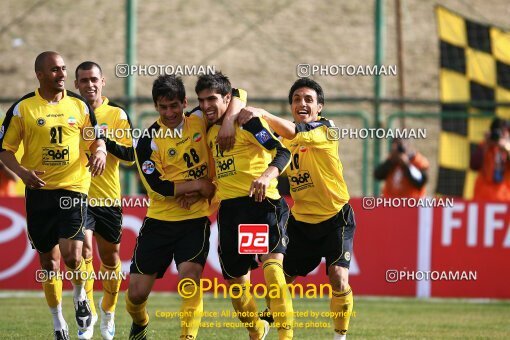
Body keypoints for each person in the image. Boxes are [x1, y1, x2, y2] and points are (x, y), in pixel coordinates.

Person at [126, 74, 244, 340]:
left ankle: (187, 337)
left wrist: (228, 121)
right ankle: (140, 322)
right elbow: (159, 186)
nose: (169, 112)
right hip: (159, 221)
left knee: (190, 280)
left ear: (184, 103)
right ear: (156, 106)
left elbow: (237, 92)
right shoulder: (148, 141)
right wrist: (199, 185)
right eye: (163, 107)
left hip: (195, 219)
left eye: (175, 106)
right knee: (136, 294)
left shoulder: (200, 118)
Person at [238, 77, 356, 339]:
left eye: (308, 100)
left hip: (336, 217)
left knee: (338, 277)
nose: (301, 103)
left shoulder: (327, 130)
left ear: (319, 108)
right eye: (296, 99)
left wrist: (262, 113)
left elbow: (294, 132)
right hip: (300, 223)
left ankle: (340, 336)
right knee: (279, 282)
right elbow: (265, 147)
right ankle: (267, 322)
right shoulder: (284, 139)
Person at [0, 51, 107, 340]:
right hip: (39, 192)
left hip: (73, 188)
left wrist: (98, 151)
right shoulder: (23, 109)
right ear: (40, 74)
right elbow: (5, 150)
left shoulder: (79, 105)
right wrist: (22, 174)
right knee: (49, 263)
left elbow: (94, 137)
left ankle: (80, 297)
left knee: (73, 256)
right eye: (54, 70)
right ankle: (58, 321)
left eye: (63, 69)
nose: (61, 74)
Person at [197, 72, 294, 340]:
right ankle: (257, 329)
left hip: (261, 205)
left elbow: (282, 151)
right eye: (202, 100)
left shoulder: (249, 123)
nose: (206, 106)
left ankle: (286, 336)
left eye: (212, 99)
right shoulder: (208, 128)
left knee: (273, 272)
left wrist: (266, 176)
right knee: (238, 291)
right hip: (230, 212)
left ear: (227, 99)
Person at [74, 61, 134, 339]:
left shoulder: (116, 114)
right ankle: (85, 312)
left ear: (103, 81)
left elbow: (131, 155)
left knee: (110, 259)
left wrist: (104, 142)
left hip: (108, 198)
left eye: (93, 79)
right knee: (83, 251)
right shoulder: (69, 112)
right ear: (76, 84)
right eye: (84, 80)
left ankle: (108, 311)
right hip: (76, 195)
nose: (89, 84)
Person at [470, 117, 510, 201]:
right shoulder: (484, 146)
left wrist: (506, 148)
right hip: (483, 197)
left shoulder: (507, 148)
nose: (500, 136)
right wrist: (487, 143)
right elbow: (473, 165)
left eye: (504, 133)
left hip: (505, 198)